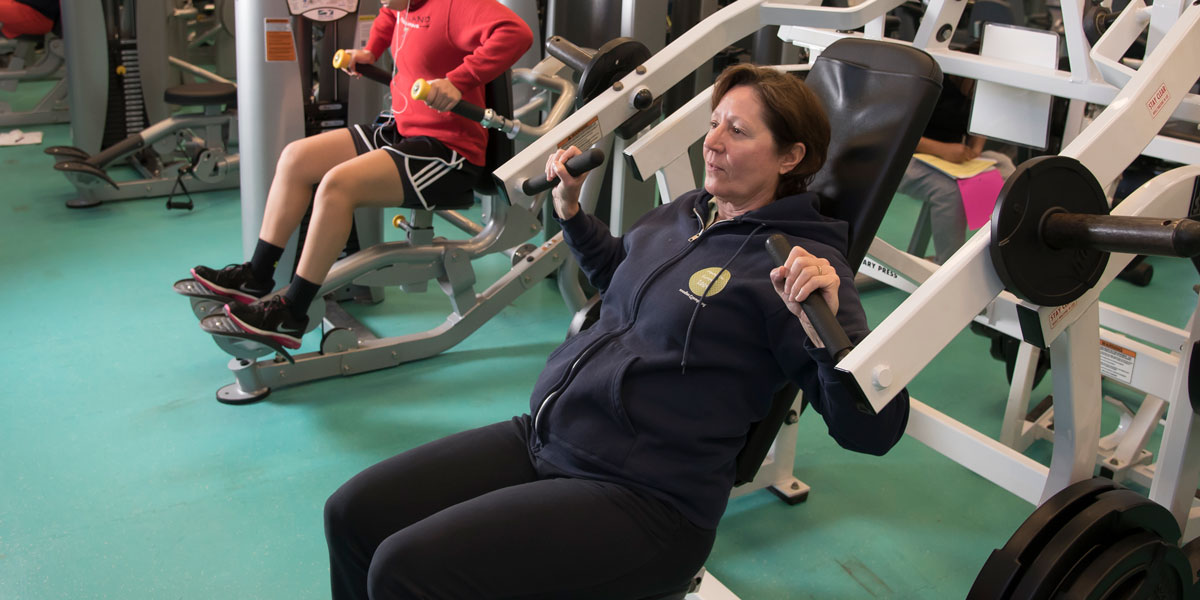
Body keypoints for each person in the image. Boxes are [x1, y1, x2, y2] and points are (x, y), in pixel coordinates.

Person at [322, 63, 911, 600]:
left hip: (646, 499)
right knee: (352, 513)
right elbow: (622, 278)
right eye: (714, 124)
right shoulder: (690, 211)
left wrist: (830, 332)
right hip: (551, 435)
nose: (712, 142)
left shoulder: (800, 265)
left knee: (403, 569)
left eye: (738, 131)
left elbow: (871, 430)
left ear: (790, 157)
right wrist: (573, 214)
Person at [188, 0, 533, 349]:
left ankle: (291, 312)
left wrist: (460, 80)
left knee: (337, 186)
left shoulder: (455, 5)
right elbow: (389, 14)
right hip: (402, 127)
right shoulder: (401, 3)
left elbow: (516, 33)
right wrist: (371, 51)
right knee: (296, 157)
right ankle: (257, 275)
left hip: (447, 151)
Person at [897, 74, 1015, 264]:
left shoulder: (978, 91)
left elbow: (980, 120)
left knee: (1005, 167)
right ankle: (948, 264)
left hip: (951, 159)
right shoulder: (929, 83)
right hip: (908, 156)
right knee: (950, 191)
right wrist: (940, 149)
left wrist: (976, 148)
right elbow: (896, 129)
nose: (977, 90)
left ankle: (1008, 254)